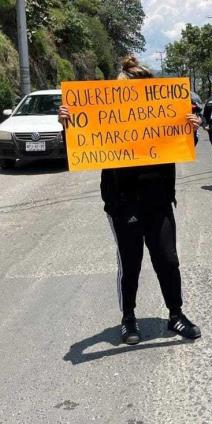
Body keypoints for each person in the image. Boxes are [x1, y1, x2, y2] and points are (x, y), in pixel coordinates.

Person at [58, 56, 202, 345]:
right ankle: (128, 318)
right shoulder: (107, 112)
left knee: (168, 260)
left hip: (159, 200)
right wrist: (67, 125)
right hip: (123, 202)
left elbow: (183, 145)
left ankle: (176, 314)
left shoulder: (163, 112)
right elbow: (81, 143)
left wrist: (191, 128)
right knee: (130, 263)